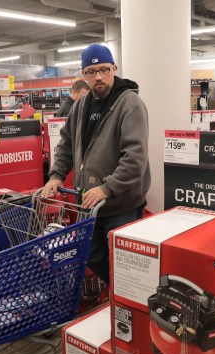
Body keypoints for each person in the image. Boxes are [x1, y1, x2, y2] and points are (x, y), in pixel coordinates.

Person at [42, 44, 151, 284]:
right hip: (89, 203)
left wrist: (107, 188)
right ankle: (116, 293)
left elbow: (135, 158)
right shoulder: (81, 106)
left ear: (114, 68)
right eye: (91, 71)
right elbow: (66, 143)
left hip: (120, 205)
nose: (98, 76)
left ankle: (123, 301)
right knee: (91, 254)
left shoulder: (129, 104)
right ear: (83, 75)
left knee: (124, 268)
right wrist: (56, 175)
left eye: (104, 69)